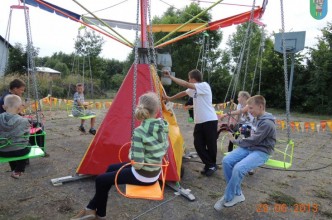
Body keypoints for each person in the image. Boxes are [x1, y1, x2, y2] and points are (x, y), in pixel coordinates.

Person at [70, 92, 169, 220]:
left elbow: (137, 164)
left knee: (100, 180)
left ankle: (99, 214)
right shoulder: (163, 126)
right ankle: (91, 209)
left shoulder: (140, 131)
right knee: (111, 168)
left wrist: (131, 153)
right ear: (157, 110)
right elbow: (163, 149)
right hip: (155, 171)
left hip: (143, 175)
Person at [214, 95, 276, 210]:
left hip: (262, 151)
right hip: (250, 147)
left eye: (251, 108)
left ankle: (228, 197)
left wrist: (235, 140)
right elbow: (252, 134)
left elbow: (254, 139)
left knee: (239, 168)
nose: (249, 110)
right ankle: (237, 194)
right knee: (226, 161)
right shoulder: (257, 118)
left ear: (261, 106)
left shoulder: (267, 123)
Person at [163, 69, 218, 177]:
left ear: (193, 79)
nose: (188, 80)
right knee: (198, 144)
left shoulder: (204, 85)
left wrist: (171, 77)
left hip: (210, 120)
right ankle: (210, 164)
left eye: (189, 79)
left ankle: (211, 165)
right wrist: (170, 98)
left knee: (211, 144)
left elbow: (185, 84)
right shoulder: (193, 90)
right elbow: (183, 92)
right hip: (199, 121)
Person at [0, 94, 31, 179]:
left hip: (2, 151)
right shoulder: (24, 121)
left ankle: (13, 168)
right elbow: (27, 134)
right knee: (28, 145)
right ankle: (18, 170)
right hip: (20, 151)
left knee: (9, 146)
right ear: (19, 108)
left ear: (3, 106)